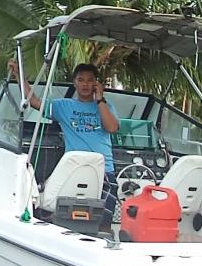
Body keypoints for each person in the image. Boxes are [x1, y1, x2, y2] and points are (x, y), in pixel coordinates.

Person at [11, 60, 120, 229]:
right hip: (73, 170)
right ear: (74, 82)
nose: (85, 84)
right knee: (68, 220)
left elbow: (112, 127)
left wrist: (100, 100)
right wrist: (19, 75)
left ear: (96, 84)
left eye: (90, 80)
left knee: (103, 223)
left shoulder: (107, 106)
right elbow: (33, 101)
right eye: (81, 79)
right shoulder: (64, 106)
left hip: (104, 171)